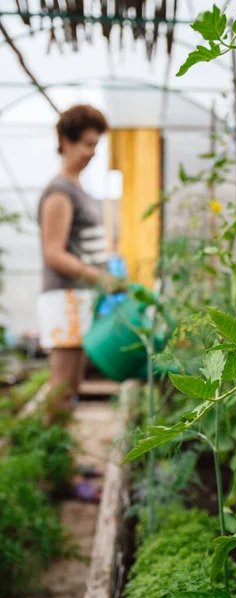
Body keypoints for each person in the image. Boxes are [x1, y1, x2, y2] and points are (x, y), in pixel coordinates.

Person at [37, 104, 120, 500]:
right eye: (86, 143)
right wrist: (99, 276)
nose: (92, 151)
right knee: (60, 388)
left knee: (71, 385)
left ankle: (64, 461)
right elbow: (53, 252)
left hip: (77, 298)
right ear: (66, 141)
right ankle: (56, 475)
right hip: (64, 297)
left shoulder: (78, 188)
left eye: (96, 144)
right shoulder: (59, 191)